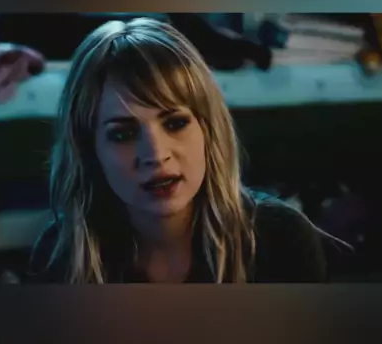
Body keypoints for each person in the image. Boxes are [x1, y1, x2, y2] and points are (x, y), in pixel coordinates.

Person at [28, 17, 328, 283]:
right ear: (90, 149)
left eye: (175, 123)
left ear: (208, 129)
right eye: (123, 134)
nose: (156, 154)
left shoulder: (279, 240)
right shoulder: (60, 254)